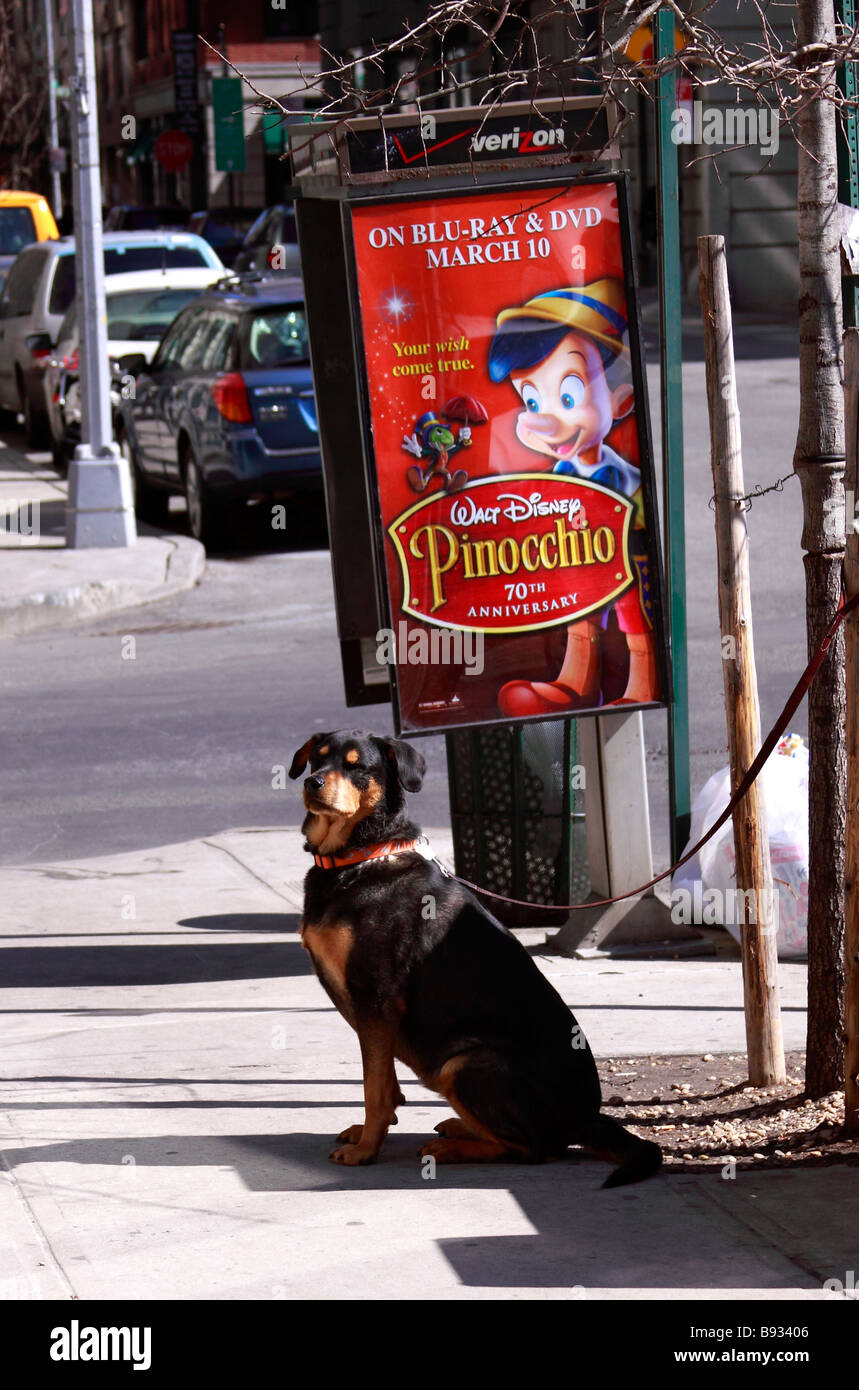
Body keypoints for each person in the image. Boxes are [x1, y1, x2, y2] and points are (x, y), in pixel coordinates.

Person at [487, 279, 659, 714]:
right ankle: (575, 684)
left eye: (568, 395)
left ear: (621, 401)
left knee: (632, 617)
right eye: (530, 400)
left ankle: (644, 681)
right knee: (579, 615)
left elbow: (635, 513)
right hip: (581, 562)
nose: (543, 420)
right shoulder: (560, 476)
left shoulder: (623, 477)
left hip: (622, 562)